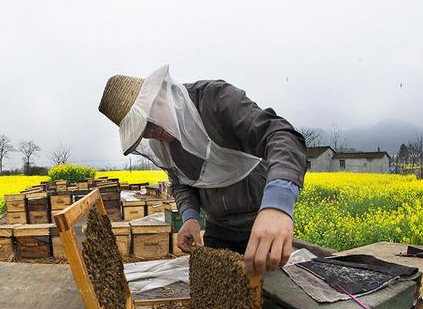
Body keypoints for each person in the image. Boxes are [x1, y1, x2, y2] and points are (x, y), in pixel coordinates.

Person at [98, 65, 307, 276]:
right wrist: (190, 217)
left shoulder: (217, 100)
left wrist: (277, 206)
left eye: (147, 123)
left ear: (159, 97)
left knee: (272, 299)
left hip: (261, 221)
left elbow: (281, 136)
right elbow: (181, 182)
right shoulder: (160, 143)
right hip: (219, 227)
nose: (149, 133)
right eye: (141, 131)